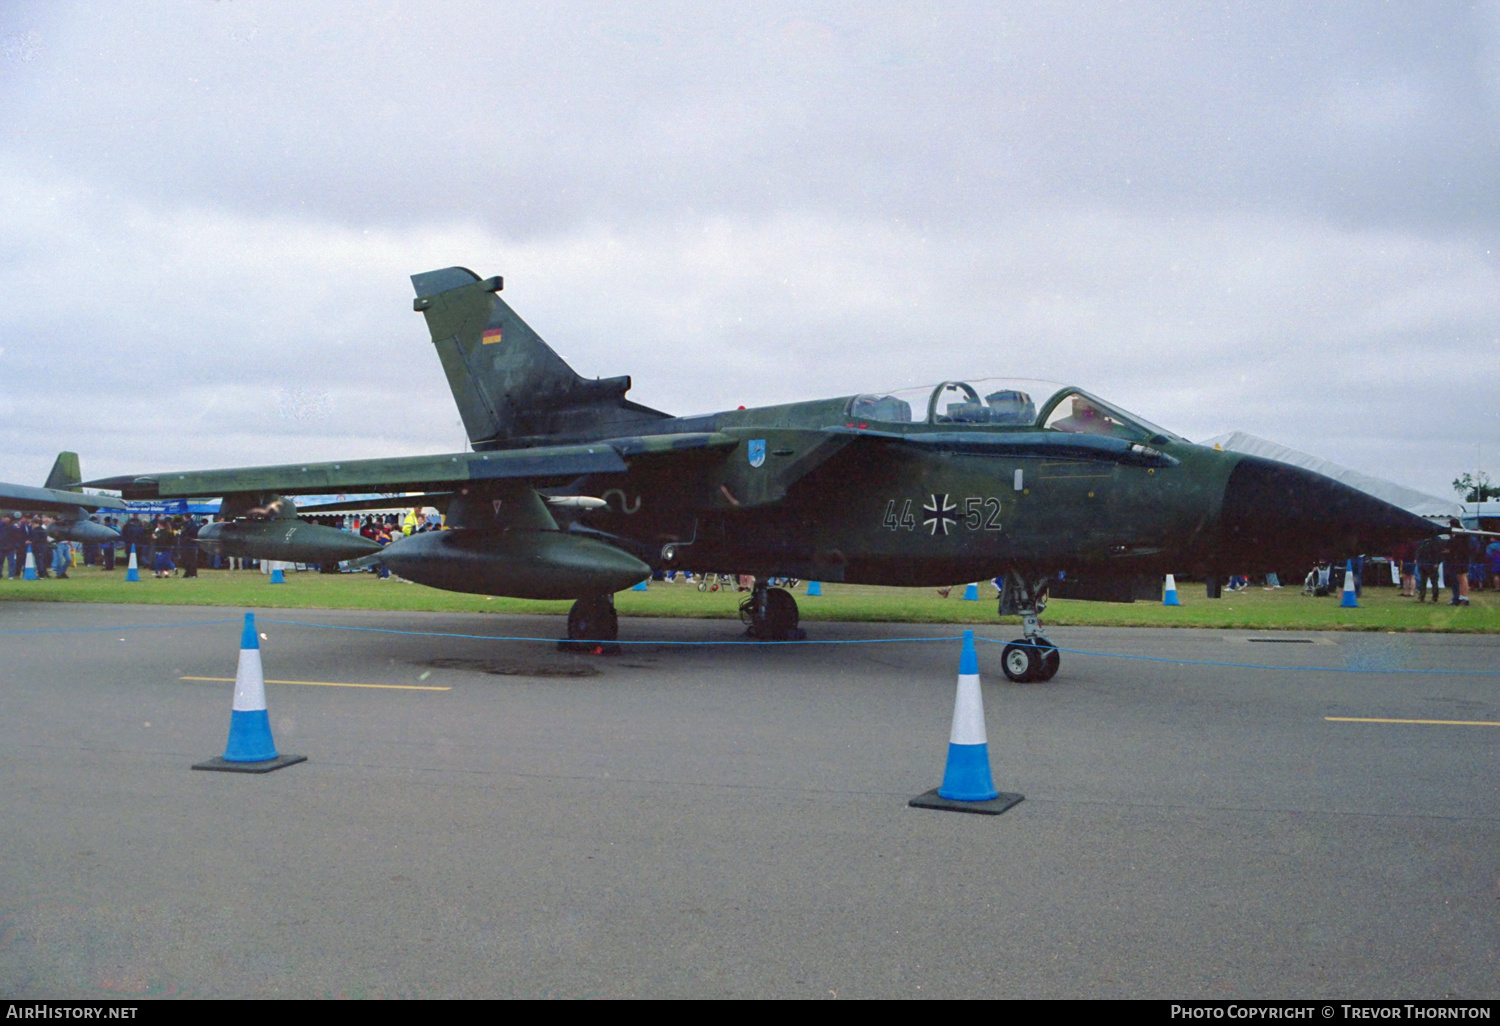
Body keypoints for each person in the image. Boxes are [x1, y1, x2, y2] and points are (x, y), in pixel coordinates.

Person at [1415, 536, 1442, 603]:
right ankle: (1421, 597)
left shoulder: (1435, 540)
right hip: (1422, 564)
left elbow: (1438, 553)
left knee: (1434, 582)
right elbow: (1418, 550)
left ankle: (1434, 598)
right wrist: (1417, 559)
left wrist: (1436, 562)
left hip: (1432, 564)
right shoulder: (1422, 541)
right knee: (1422, 581)